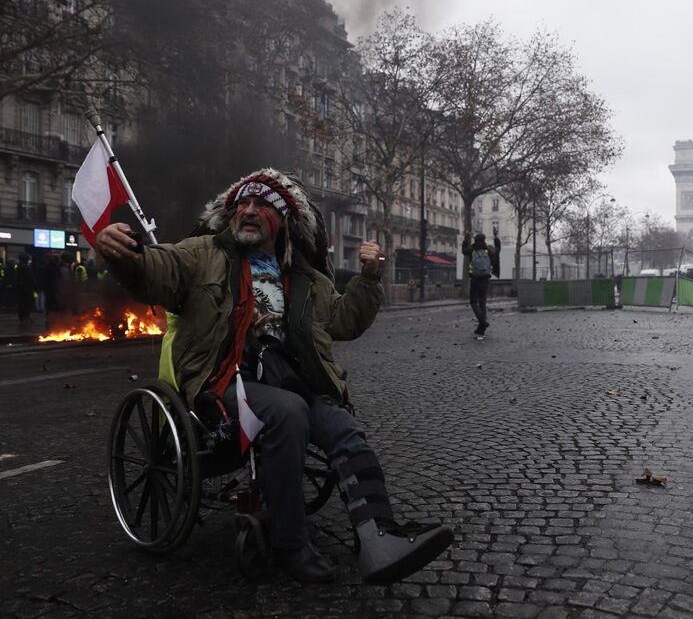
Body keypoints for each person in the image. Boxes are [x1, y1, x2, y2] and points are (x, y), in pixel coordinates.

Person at [96, 168, 453, 584]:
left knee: (341, 424)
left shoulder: (306, 279)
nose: (248, 211)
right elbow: (158, 268)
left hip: (293, 381)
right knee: (287, 413)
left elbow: (344, 321)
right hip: (224, 382)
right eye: (241, 205)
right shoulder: (202, 253)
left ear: (283, 220)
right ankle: (290, 543)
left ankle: (379, 537)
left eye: (261, 205)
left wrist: (369, 278)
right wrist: (124, 253)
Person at [461, 228, 501, 337]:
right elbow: (498, 250)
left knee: (473, 302)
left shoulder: (472, 249)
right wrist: (496, 237)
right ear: (484, 240)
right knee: (482, 302)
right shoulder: (488, 249)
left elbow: (463, 250)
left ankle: (482, 323)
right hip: (485, 279)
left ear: (475, 240)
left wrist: (466, 237)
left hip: (475, 278)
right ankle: (481, 328)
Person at [14, 252, 36, 328]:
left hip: (21, 290)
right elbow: (31, 278)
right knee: (26, 304)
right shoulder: (25, 267)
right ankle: (25, 319)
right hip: (26, 290)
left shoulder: (18, 267)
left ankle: (24, 319)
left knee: (22, 304)